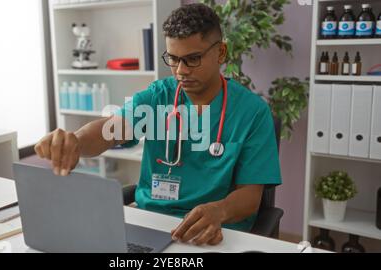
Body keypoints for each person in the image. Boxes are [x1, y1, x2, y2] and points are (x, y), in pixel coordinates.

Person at [35, 3, 282, 246]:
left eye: (193, 59)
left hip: (213, 233)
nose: (180, 71)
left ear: (220, 52)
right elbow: (109, 131)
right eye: (173, 59)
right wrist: (75, 140)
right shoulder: (158, 97)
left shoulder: (252, 112)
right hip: (150, 225)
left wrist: (220, 210)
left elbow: (251, 197)